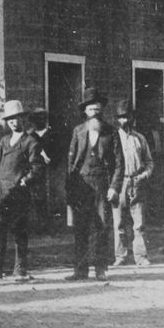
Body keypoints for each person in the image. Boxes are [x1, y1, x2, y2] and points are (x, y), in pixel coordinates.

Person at [0, 99, 44, 282]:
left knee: (20, 232)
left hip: (19, 194)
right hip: (2, 194)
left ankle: (20, 270)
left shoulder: (30, 142)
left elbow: (37, 168)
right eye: (10, 119)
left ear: (23, 119)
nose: (14, 122)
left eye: (17, 118)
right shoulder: (3, 141)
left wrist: (26, 180)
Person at [65, 88, 116, 280]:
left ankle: (101, 269)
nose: (94, 111)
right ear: (85, 111)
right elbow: (71, 163)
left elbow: (119, 163)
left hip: (102, 184)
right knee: (80, 228)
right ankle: (80, 270)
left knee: (101, 227)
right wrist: (69, 189)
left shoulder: (110, 132)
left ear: (102, 109)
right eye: (90, 108)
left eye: (97, 108)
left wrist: (114, 187)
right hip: (81, 184)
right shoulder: (78, 131)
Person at [109, 100, 154, 267]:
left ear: (132, 118)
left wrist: (144, 175)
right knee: (118, 223)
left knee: (139, 223)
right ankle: (120, 256)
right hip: (119, 183)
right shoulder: (113, 138)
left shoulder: (140, 139)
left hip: (136, 183)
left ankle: (141, 257)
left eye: (127, 117)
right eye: (121, 118)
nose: (124, 121)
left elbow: (149, 162)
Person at [30, 105, 68, 233]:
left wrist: (51, 159)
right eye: (36, 118)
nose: (39, 120)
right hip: (35, 171)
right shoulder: (30, 136)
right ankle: (39, 225)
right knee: (37, 197)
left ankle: (53, 226)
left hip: (51, 170)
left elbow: (59, 151)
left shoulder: (52, 134)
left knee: (53, 196)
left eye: (42, 117)